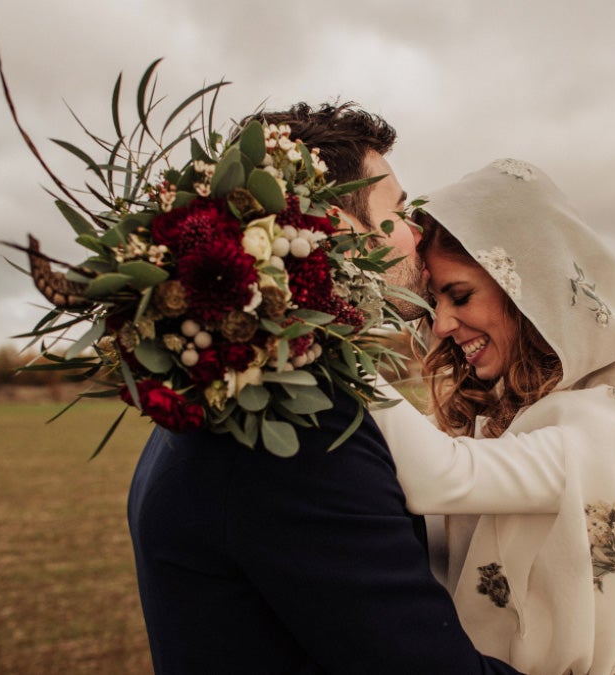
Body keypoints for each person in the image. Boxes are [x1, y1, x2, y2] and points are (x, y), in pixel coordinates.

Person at [127, 104, 526, 674]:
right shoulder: (294, 428)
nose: (418, 235)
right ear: (338, 230)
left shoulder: (215, 395)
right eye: (400, 211)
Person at [370, 159, 615, 675]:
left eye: (460, 295)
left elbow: (439, 476)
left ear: (526, 290)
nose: (443, 323)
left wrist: (320, 346)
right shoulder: (488, 420)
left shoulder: (599, 429)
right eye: (435, 302)